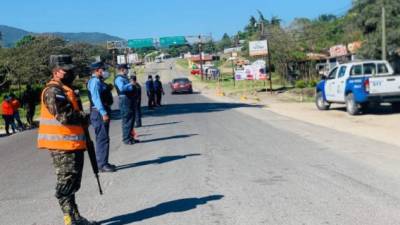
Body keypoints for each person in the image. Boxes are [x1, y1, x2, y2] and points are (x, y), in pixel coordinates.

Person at [37, 55, 98, 225]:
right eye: (67, 70)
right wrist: (84, 116)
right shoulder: (53, 91)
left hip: (72, 143)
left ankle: (75, 217)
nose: (71, 72)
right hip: (62, 147)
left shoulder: (65, 89)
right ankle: (69, 219)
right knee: (65, 185)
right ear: (56, 72)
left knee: (72, 184)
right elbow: (65, 116)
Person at [87, 62, 116, 173]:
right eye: (103, 69)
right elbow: (96, 99)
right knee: (102, 139)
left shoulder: (99, 81)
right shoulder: (94, 81)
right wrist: (103, 113)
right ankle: (102, 164)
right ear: (97, 70)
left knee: (104, 138)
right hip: (98, 112)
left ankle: (104, 162)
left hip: (101, 111)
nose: (104, 71)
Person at [114, 64, 138, 145]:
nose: (127, 70)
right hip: (124, 99)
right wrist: (130, 84)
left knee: (131, 119)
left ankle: (131, 137)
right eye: (126, 69)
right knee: (127, 119)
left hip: (129, 99)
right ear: (122, 69)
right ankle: (126, 139)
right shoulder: (119, 78)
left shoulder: (125, 78)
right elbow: (122, 88)